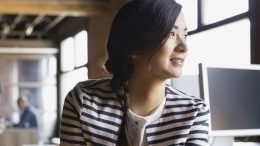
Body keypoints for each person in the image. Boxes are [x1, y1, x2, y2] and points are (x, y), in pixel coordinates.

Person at [60, 0, 210, 146]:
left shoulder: (195, 112)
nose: (184, 46)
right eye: (171, 33)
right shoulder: (83, 100)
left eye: (185, 35)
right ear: (135, 46)